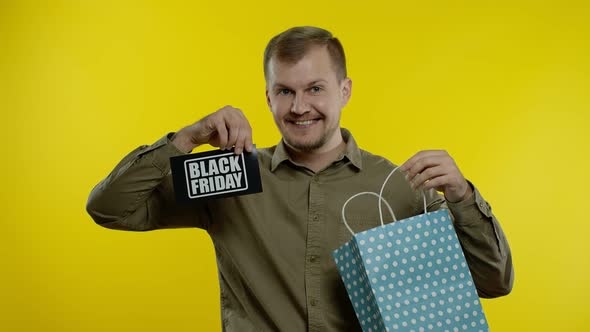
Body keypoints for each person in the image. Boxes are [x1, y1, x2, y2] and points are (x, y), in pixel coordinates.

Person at [86, 26, 513, 332]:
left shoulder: (399, 186)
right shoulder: (233, 175)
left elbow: (493, 282)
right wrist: (186, 138)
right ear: (268, 97)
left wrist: (462, 196)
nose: (299, 107)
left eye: (315, 89)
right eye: (285, 91)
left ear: (344, 91)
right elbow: (108, 209)